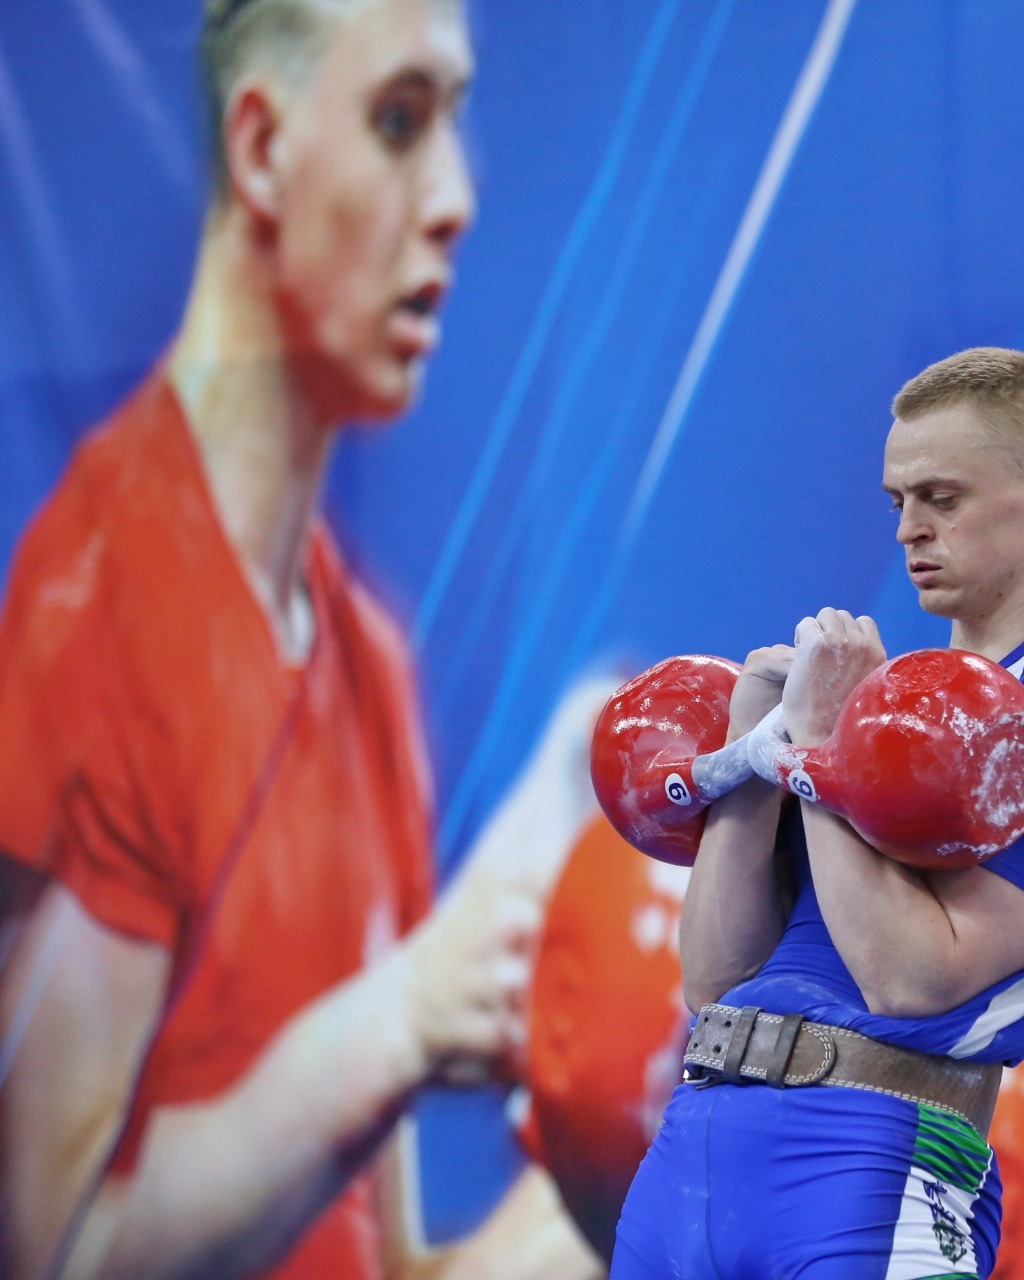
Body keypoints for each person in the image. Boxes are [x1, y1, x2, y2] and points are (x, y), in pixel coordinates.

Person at [0, 1, 598, 1276]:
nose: (456, 200)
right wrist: (400, 1018)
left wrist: (674, 1149)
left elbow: (390, 1268)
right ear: (262, 152)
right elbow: (47, 1253)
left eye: (453, 120)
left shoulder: (366, 664)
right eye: (399, 121)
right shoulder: (94, 612)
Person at [613, 347, 1024, 1278]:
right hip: (694, 1154)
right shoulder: (880, 707)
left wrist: (821, 748)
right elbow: (716, 981)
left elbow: (912, 979)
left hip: (868, 1166)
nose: (909, 529)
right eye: (896, 501)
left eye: (941, 499)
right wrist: (759, 758)